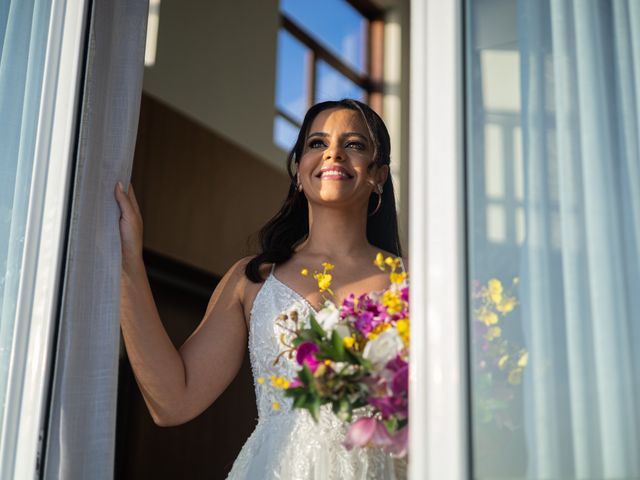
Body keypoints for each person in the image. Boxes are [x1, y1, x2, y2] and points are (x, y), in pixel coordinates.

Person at [116, 99, 407, 479]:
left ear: (379, 175)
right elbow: (172, 401)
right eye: (317, 143)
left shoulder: (413, 285)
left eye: (354, 144)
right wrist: (127, 263)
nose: (333, 152)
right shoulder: (252, 280)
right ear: (300, 172)